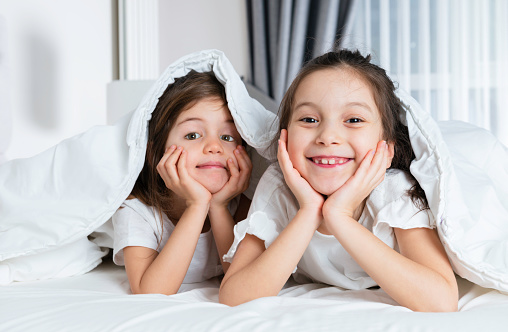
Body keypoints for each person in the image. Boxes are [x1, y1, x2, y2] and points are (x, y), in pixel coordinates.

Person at [219, 49, 458, 312]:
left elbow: (441, 300)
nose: (328, 136)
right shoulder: (279, 186)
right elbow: (234, 295)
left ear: (386, 148)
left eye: (354, 120)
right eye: (309, 119)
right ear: (284, 139)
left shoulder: (394, 192)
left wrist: (339, 216)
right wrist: (309, 211)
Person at [112, 70, 252, 295]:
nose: (214, 146)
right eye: (192, 135)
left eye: (227, 137)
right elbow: (150, 291)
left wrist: (217, 207)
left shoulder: (242, 204)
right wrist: (197, 205)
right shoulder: (137, 212)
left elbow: (241, 281)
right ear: (157, 151)